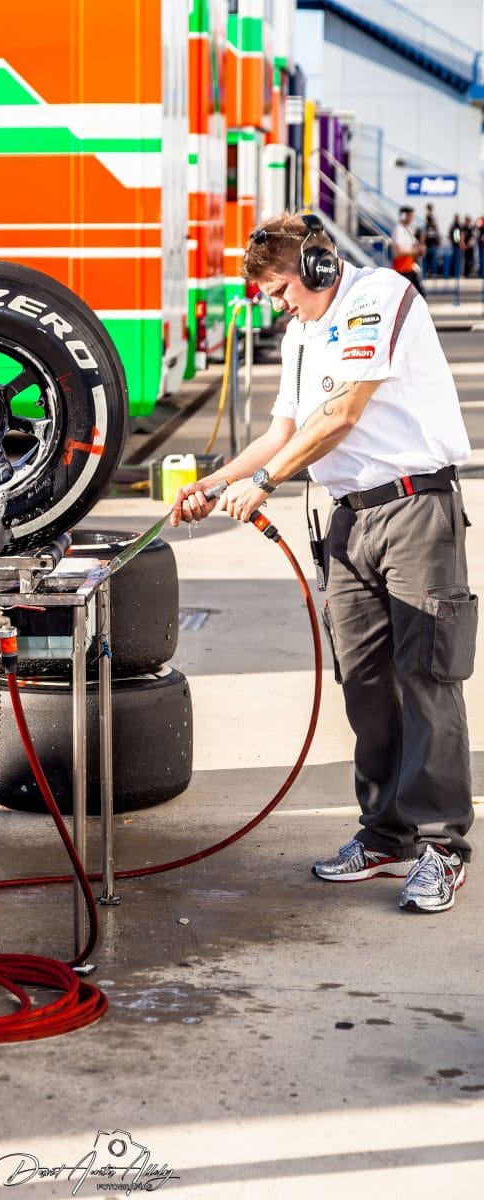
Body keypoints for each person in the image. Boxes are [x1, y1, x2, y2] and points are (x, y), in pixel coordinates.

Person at [172, 210, 476, 914]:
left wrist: (267, 484)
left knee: (427, 676)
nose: (281, 306)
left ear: (314, 268)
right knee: (365, 680)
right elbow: (287, 427)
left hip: (412, 511)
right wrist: (217, 482)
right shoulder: (304, 331)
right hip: (348, 520)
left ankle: (440, 847)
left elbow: (342, 415)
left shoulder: (380, 297)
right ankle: (384, 833)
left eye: (283, 290)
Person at [390, 204, 425, 296]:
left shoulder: (409, 229)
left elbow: (412, 248)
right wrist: (415, 251)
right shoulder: (398, 229)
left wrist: (419, 251)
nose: (411, 218)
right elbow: (399, 251)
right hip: (401, 269)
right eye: (409, 216)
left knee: (419, 295)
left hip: (409, 267)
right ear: (404, 215)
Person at [422, 202, 440, 279]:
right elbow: (425, 232)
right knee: (427, 260)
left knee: (433, 260)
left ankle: (432, 273)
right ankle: (426, 273)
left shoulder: (434, 220)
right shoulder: (426, 220)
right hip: (428, 243)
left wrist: (438, 241)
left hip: (433, 243)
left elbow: (436, 231)